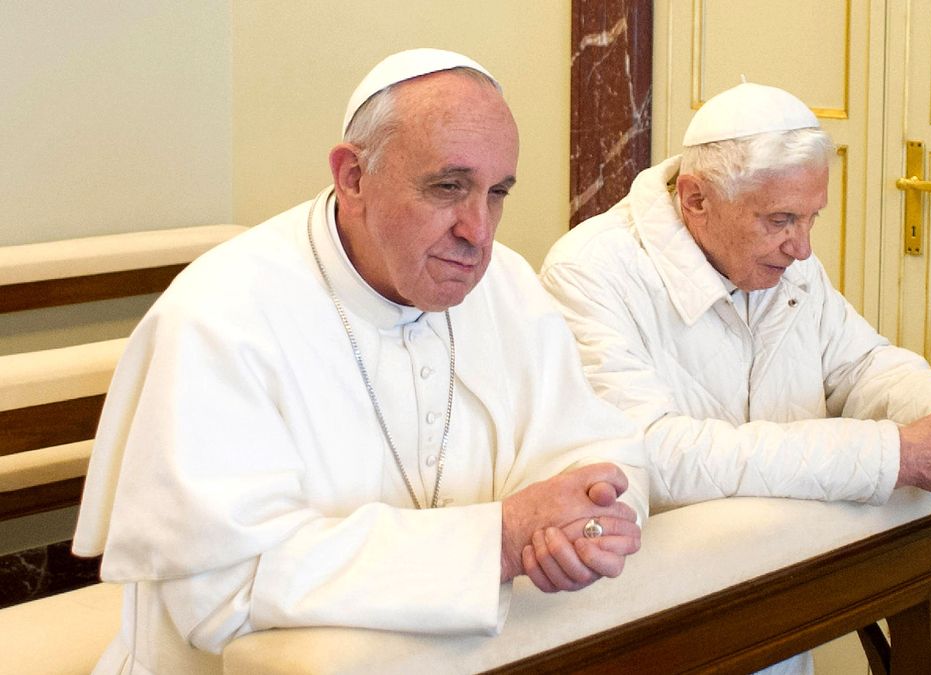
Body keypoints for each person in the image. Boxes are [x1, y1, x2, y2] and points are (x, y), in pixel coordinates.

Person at [72, 49, 649, 674]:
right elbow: (221, 590)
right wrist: (501, 540)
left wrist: (591, 515)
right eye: (448, 186)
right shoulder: (221, 314)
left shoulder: (505, 283)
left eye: (497, 193)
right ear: (352, 177)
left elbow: (597, 448)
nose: (479, 233)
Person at [541, 81, 931, 514]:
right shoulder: (589, 271)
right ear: (696, 198)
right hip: (659, 587)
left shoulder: (785, 260)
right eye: (781, 220)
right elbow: (651, 454)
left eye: (812, 218)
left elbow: (863, 368)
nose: (803, 249)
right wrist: (895, 455)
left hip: (785, 558)